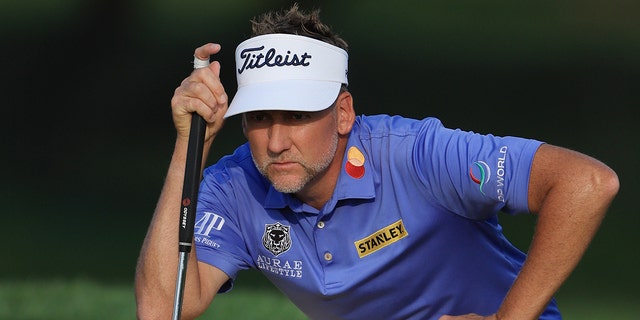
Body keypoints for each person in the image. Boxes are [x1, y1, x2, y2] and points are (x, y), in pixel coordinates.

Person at [134, 4, 619, 320]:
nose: (276, 141)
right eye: (259, 118)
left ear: (343, 113)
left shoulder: (417, 153)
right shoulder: (234, 183)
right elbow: (160, 311)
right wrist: (189, 147)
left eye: (299, 115)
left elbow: (588, 183)